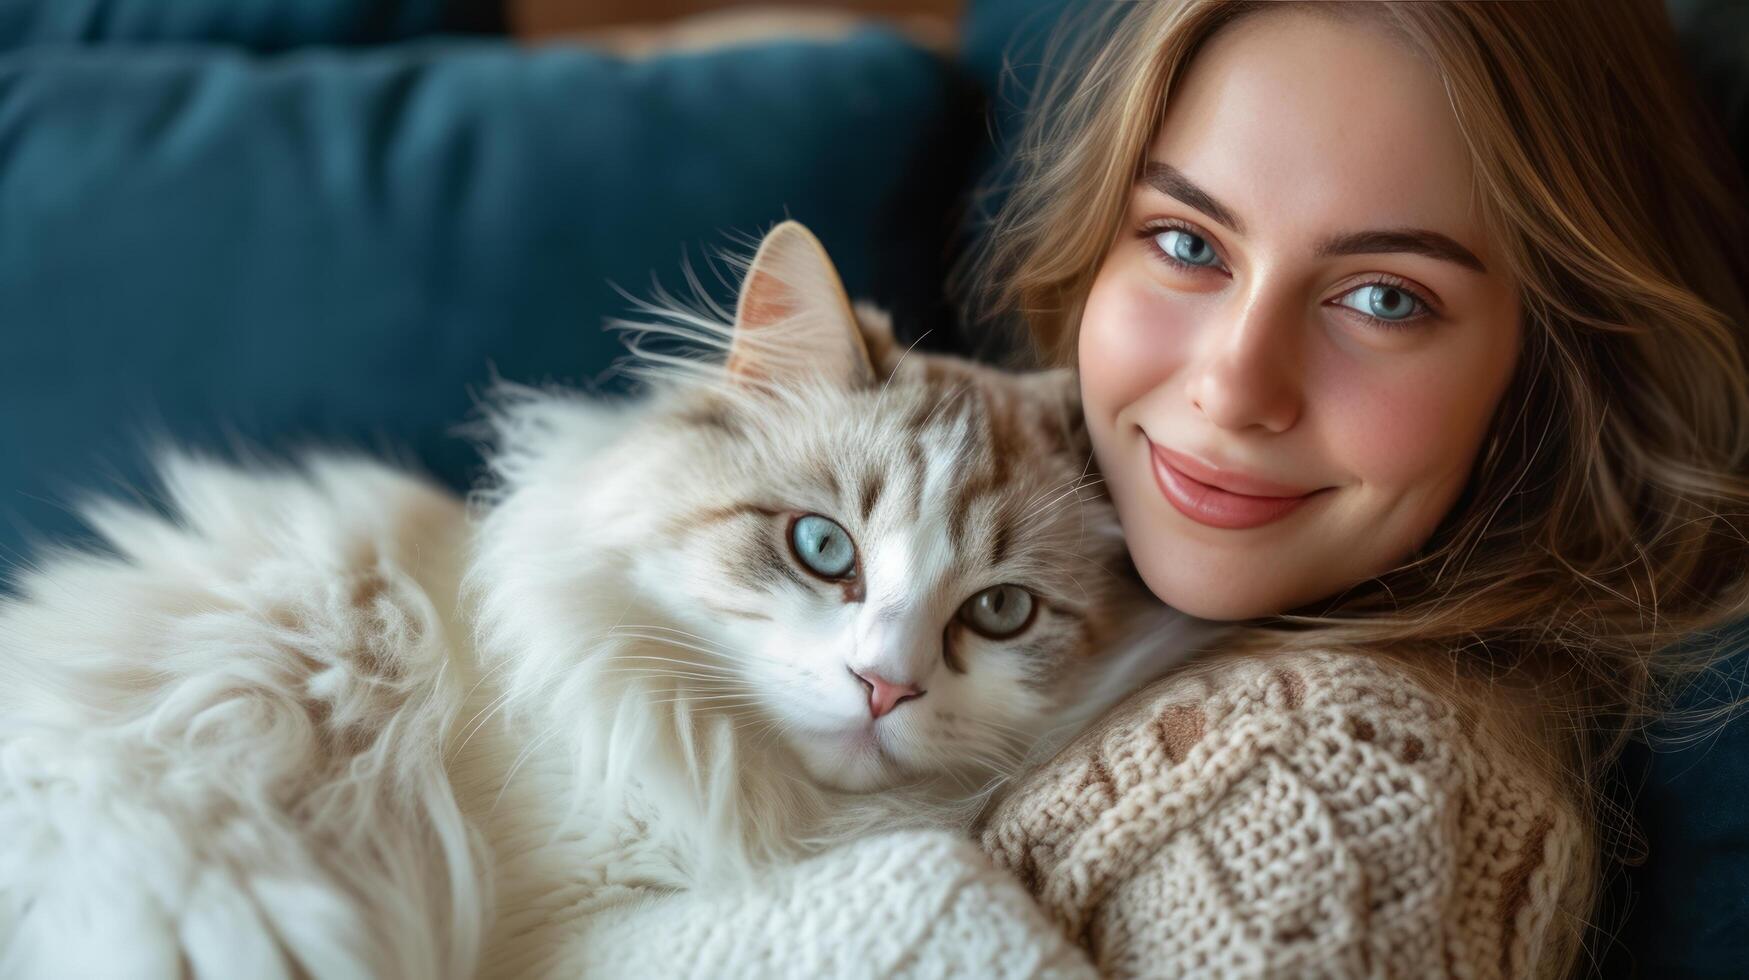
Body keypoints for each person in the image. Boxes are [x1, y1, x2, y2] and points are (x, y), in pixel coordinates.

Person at [966, 1, 1749, 975]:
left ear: (1547, 372)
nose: (1235, 386)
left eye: (1385, 297)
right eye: (1187, 243)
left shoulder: (1323, 790)